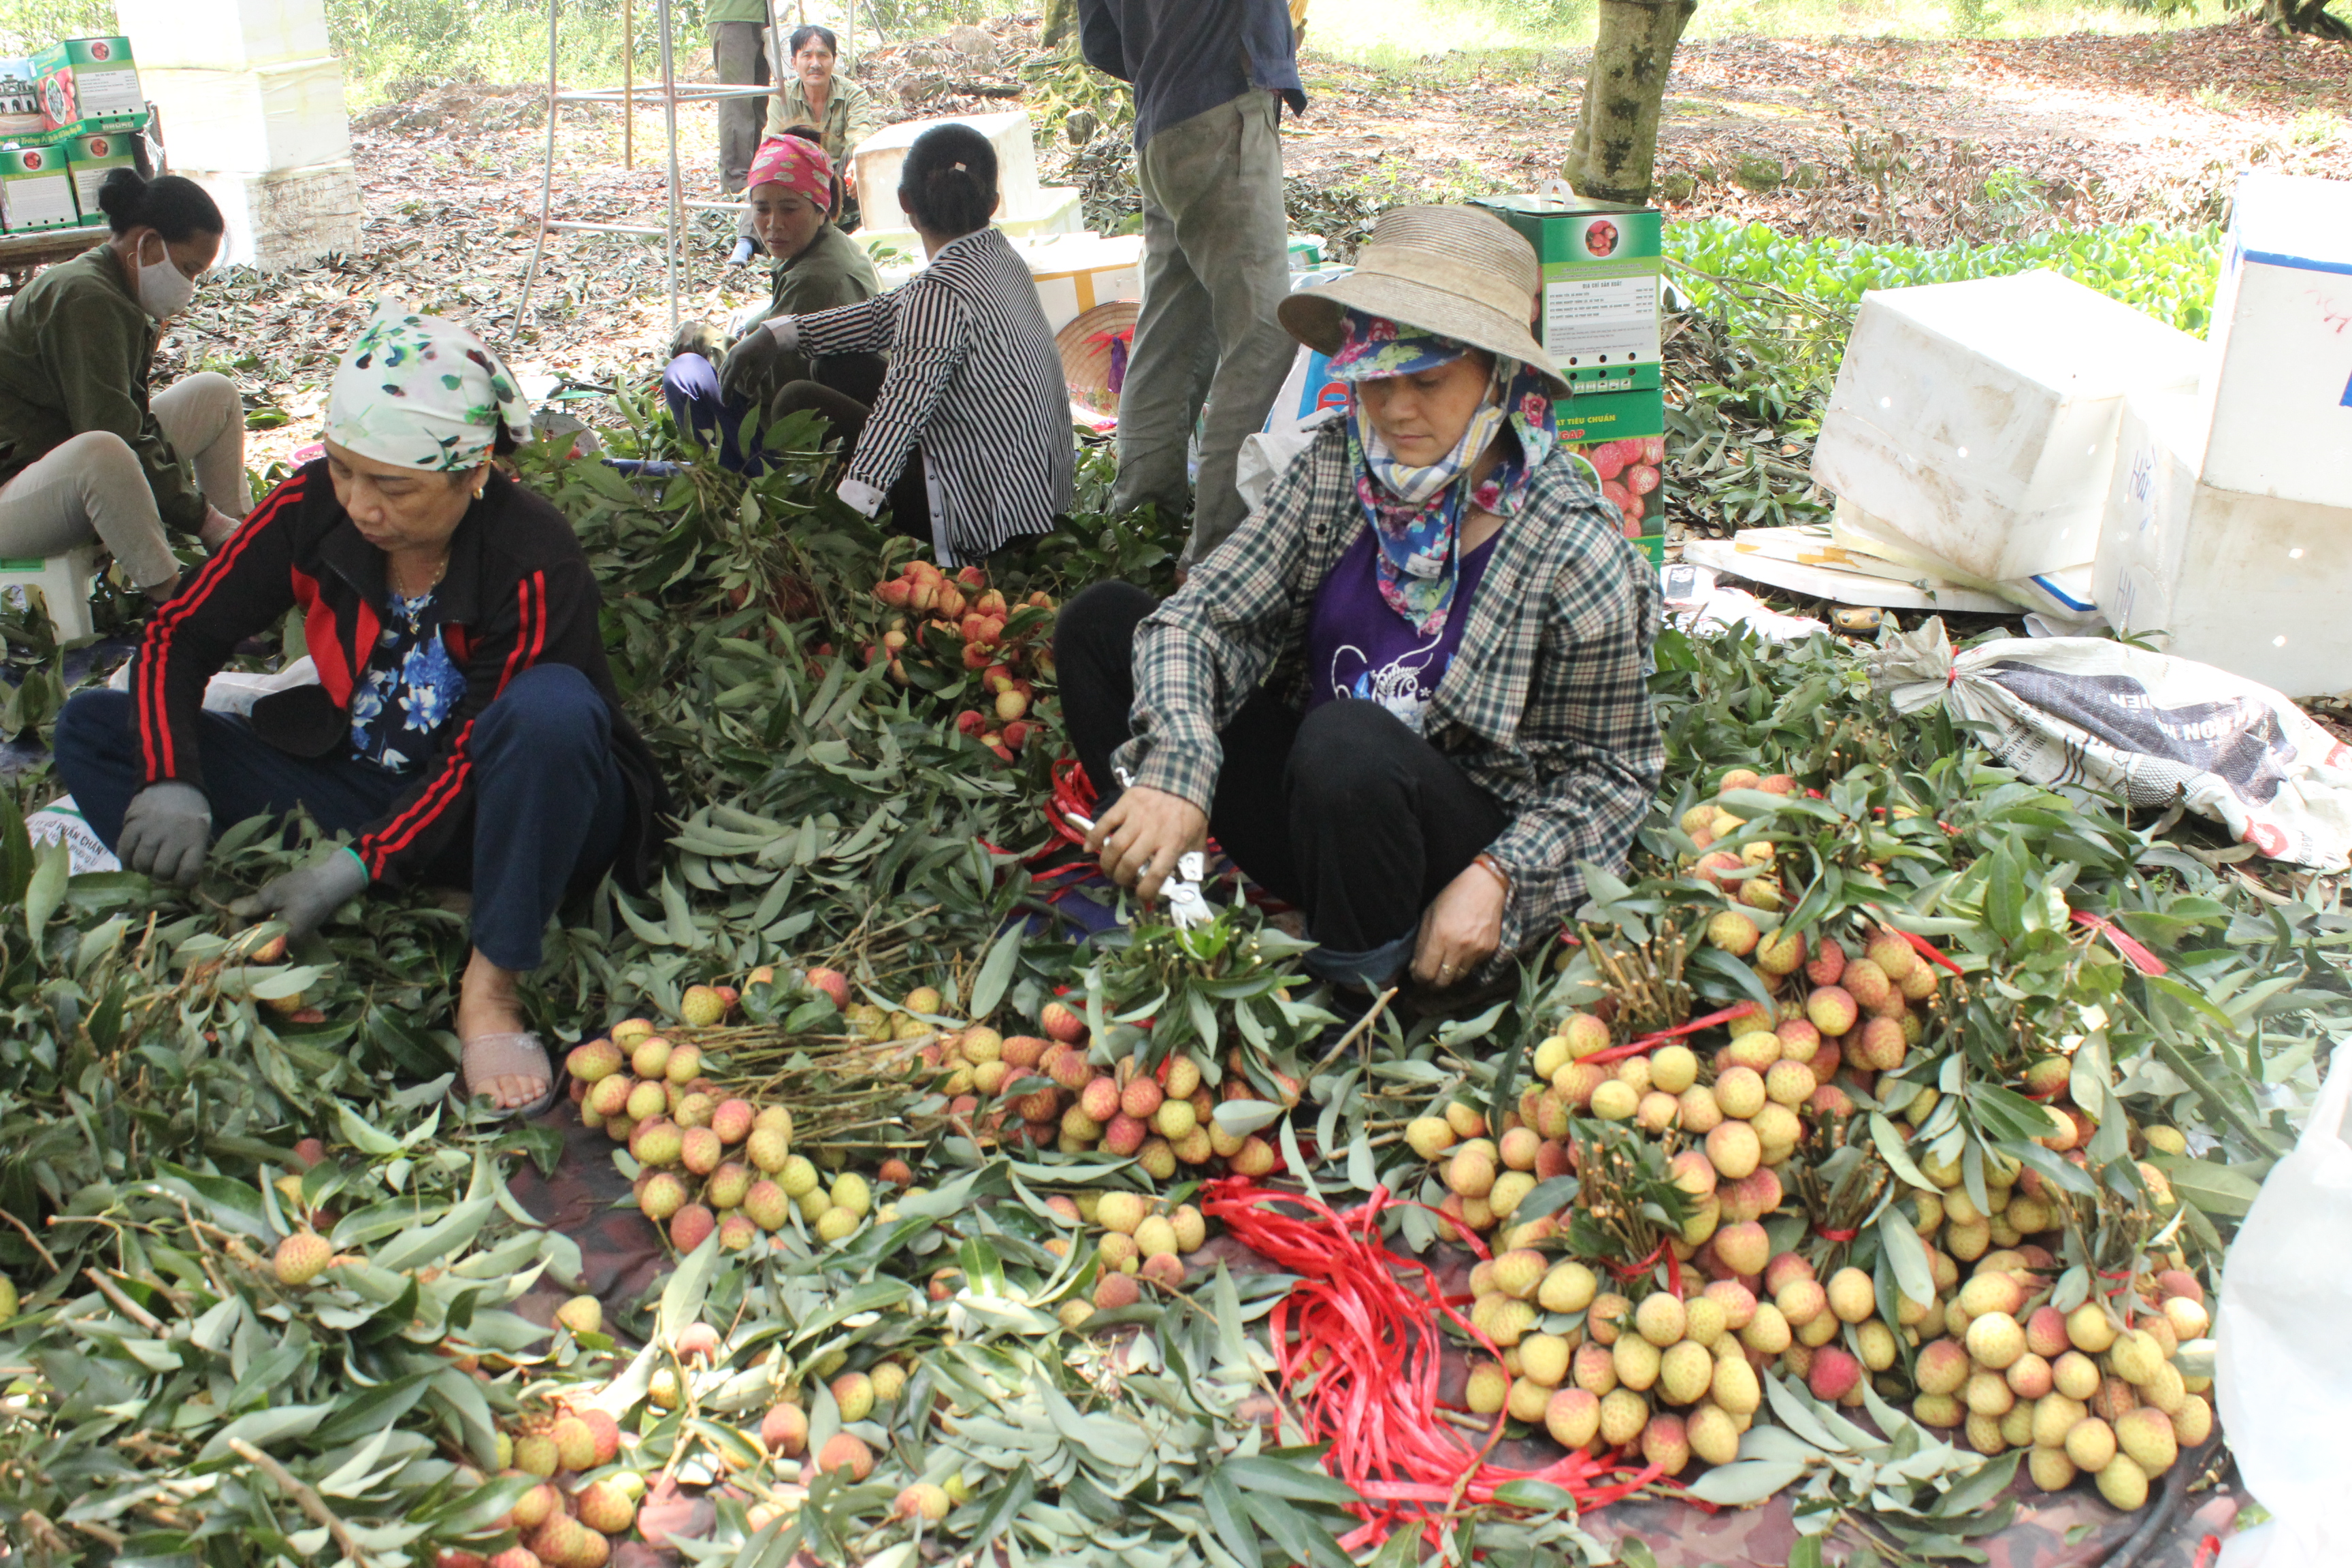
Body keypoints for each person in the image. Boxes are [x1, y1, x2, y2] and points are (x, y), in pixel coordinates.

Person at [52, 300, 673, 1117]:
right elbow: (180, 632)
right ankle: (286, 896)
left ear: (474, 471)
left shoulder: (532, 557)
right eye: (344, 468)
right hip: (362, 782)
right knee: (95, 725)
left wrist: (357, 864)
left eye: (393, 486)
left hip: (513, 802)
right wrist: (175, 778)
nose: (360, 504)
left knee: (552, 709)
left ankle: (491, 984)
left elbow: (481, 745)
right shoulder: (312, 507)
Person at [1056, 206, 1663, 996]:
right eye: (1376, 376)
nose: (1395, 408)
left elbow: (1614, 774)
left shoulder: (1573, 548)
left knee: (1349, 742)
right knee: (1103, 624)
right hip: (1316, 808)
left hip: (1443, 854)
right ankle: (1175, 906)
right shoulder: (1341, 466)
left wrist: (1500, 878)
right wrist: (1178, 764)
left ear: (1499, 380)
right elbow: (1203, 615)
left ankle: (1364, 994)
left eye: (1429, 381)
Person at [755, 123, 1073, 565]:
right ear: (994, 205)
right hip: (1042, 501)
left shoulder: (937, 293)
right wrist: (778, 334)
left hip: (988, 526)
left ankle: (881, 537)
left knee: (796, 400)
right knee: (835, 366)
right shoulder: (1002, 258)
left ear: (905, 203)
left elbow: (898, 417)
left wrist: (841, 521)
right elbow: (883, 314)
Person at [1079, 0, 1304, 570]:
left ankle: (1138, 531)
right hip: (1221, 110)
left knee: (1171, 332)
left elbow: (1099, 43)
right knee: (1264, 332)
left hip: (1163, 123)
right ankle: (1216, 558)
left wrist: (1170, 61)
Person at [0, 169, 248, 607]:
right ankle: (174, 601)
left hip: (54, 463)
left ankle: (242, 543)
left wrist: (206, 514)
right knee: (105, 450)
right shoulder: (86, 297)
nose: (188, 285)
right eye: (188, 268)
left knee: (215, 394)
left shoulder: (114, 288)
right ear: (149, 244)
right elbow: (113, 429)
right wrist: (198, 516)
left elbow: (136, 415)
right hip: (15, 494)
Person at [665, 131, 881, 472]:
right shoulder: (837, 247)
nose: (773, 224)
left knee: (684, 373)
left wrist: (706, 339)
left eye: (789, 209)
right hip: (842, 420)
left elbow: (758, 385)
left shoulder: (814, 280)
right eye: (761, 209)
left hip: (808, 456)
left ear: (820, 207)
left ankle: (736, 480)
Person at [730, 25, 878, 263]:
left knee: (862, 158)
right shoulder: (783, 96)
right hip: (796, 176)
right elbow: (771, 143)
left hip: (838, 177)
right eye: (807, 55)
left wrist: (858, 167)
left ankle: (855, 226)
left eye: (822, 55)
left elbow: (860, 134)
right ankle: (747, 242)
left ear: (834, 60)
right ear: (794, 61)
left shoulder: (854, 94)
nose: (815, 63)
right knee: (765, 175)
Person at [707, 0, 770, 203]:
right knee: (737, 102)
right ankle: (736, 182)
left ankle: (756, 172)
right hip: (734, 13)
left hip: (762, 15)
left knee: (759, 101)